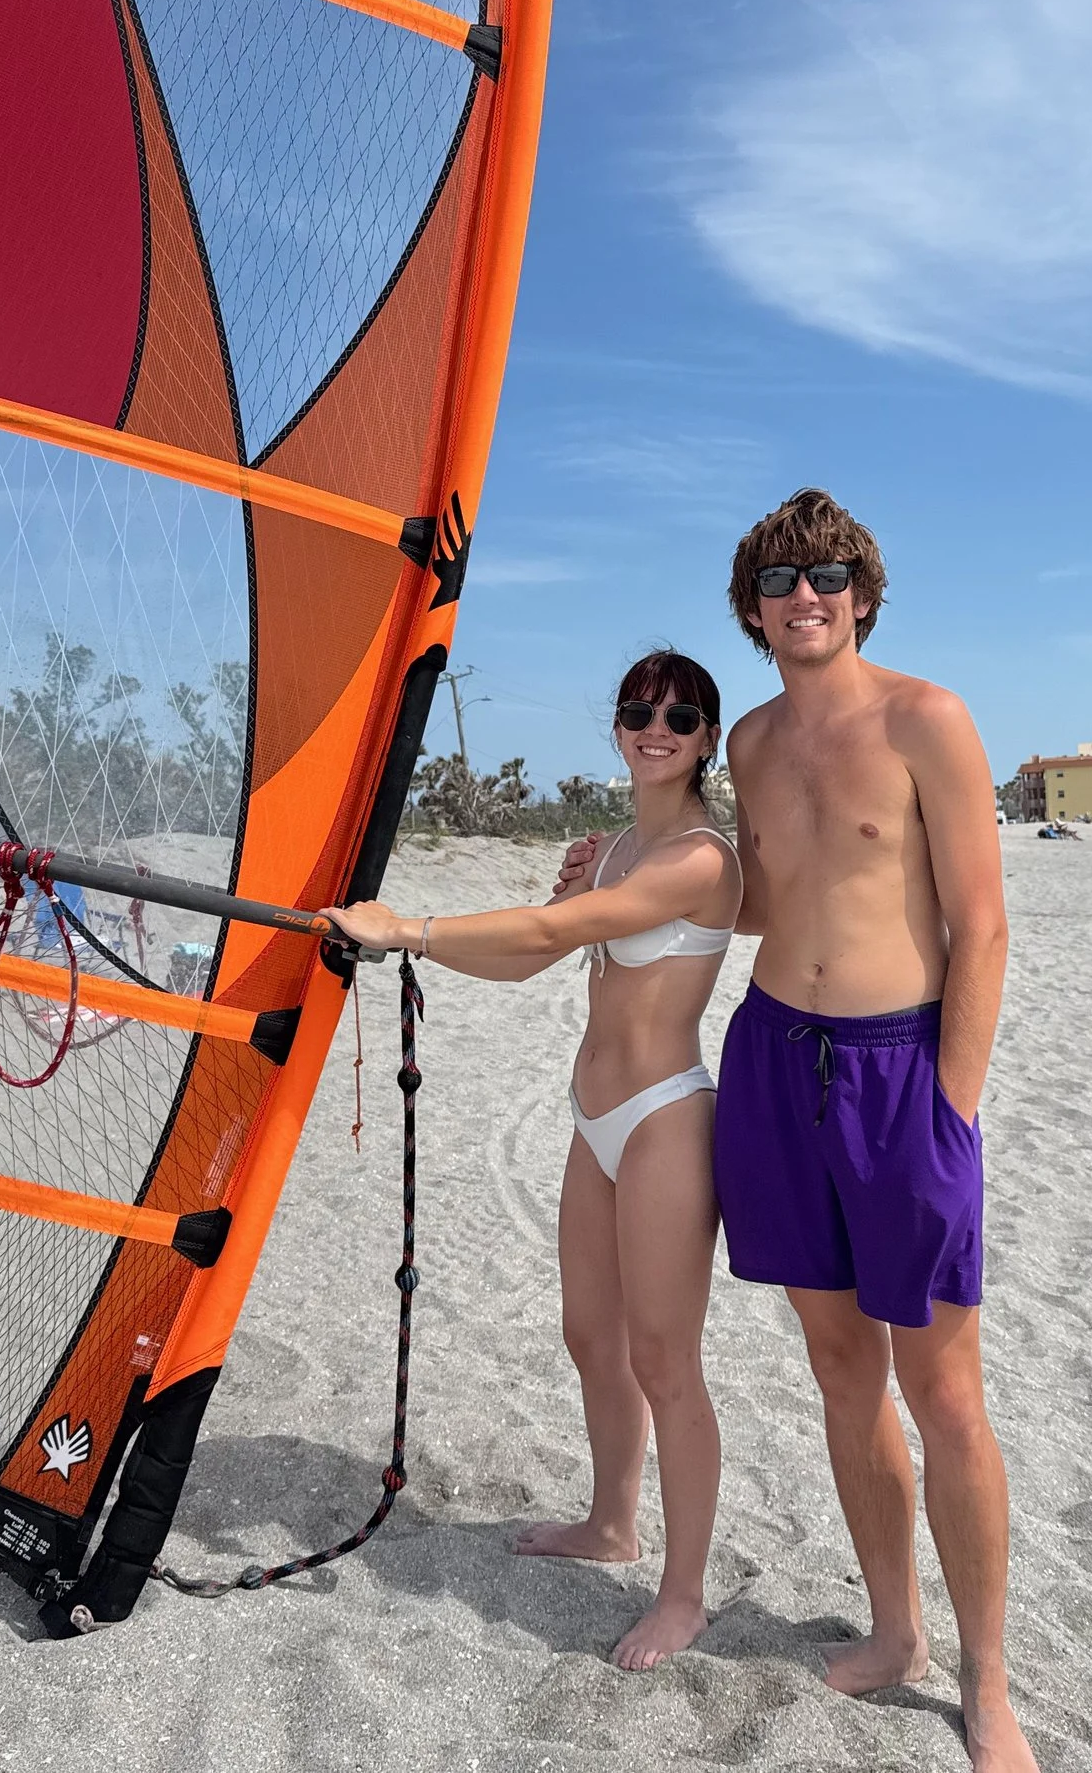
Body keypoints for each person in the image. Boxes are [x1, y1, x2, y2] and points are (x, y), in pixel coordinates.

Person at [324, 650, 743, 1672]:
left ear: (705, 738)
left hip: (664, 1118)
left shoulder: (701, 858)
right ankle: (611, 1523)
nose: (657, 728)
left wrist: (408, 922)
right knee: (587, 1335)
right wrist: (402, 946)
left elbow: (556, 925)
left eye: (680, 717)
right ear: (617, 724)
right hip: (592, 1116)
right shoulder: (606, 851)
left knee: (663, 1360)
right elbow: (530, 953)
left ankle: (682, 1596)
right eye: (640, 711)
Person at [710, 488, 1039, 1770]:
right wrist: (624, 870)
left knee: (943, 1389)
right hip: (771, 1063)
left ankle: (988, 1679)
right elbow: (761, 901)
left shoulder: (926, 719)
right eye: (785, 577)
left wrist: (951, 1111)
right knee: (841, 1372)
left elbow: (983, 925)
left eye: (832, 572)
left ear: (863, 592)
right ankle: (894, 1631)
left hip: (904, 1071)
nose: (810, 592)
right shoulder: (746, 739)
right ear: (753, 606)